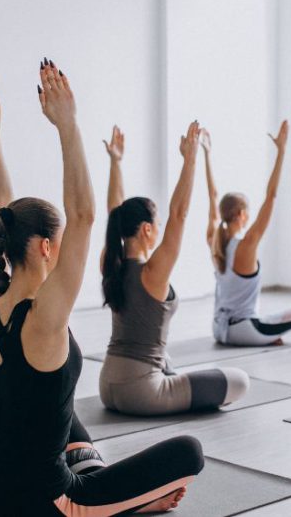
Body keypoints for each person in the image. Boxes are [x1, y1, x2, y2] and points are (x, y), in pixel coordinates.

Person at [0, 63, 204, 516]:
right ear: (44, 247)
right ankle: (123, 505)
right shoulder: (44, 318)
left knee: (61, 408)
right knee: (189, 452)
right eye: (59, 244)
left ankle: (112, 493)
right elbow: (82, 215)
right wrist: (67, 124)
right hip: (45, 505)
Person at [98, 123, 249, 415]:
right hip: (142, 393)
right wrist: (189, 160)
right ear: (145, 229)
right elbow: (179, 215)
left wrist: (116, 162)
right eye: (155, 226)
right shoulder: (152, 272)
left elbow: (113, 212)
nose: (158, 230)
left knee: (166, 359)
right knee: (239, 381)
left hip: (107, 386)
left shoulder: (110, 264)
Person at [204, 121, 291, 346]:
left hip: (218, 328)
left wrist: (207, 154)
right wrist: (281, 151)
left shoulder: (214, 242)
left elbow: (212, 195)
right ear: (242, 214)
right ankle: (265, 335)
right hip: (243, 331)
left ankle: (266, 332)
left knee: (267, 318)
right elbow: (271, 196)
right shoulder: (247, 244)